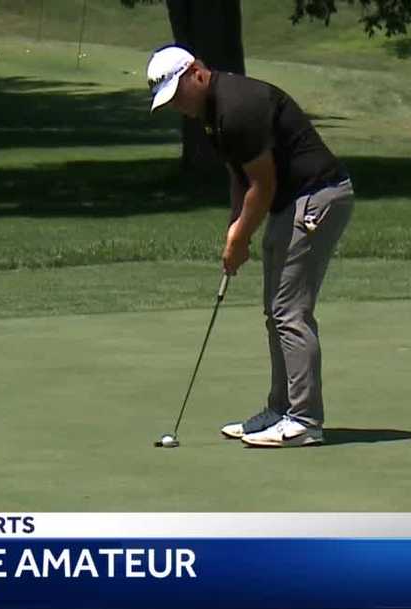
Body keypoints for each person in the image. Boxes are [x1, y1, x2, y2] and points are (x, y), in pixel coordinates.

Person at [146, 45, 355, 448]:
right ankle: (280, 410)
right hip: (292, 200)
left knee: (290, 311)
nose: (177, 107)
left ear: (197, 74)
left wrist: (239, 238)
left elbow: (264, 185)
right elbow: (239, 180)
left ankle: (304, 420)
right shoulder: (212, 115)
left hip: (318, 196)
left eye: (177, 95)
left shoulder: (237, 108)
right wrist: (234, 230)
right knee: (275, 310)